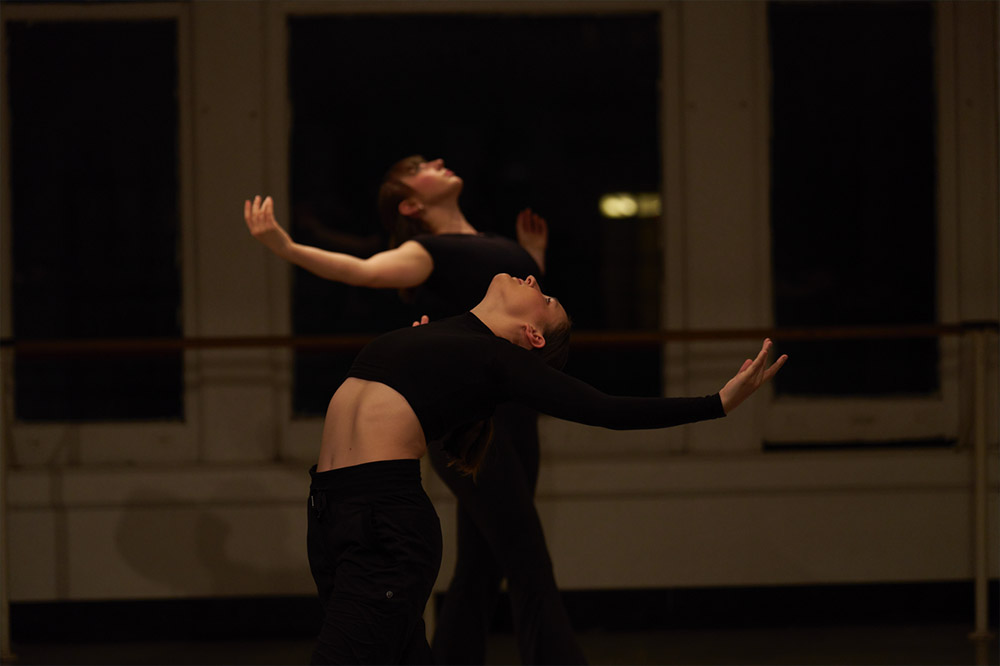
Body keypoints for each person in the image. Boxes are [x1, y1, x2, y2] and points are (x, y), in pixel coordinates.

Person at [302, 271, 787, 664]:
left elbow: (606, 409)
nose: (533, 278)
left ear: (531, 335)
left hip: (383, 523)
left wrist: (717, 403)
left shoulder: (495, 357)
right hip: (330, 512)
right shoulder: (445, 338)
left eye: (546, 295)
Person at [246, 156, 586, 664]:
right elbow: (361, 271)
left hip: (515, 417)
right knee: (527, 556)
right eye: (422, 167)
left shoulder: (493, 244)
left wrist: (533, 257)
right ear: (412, 204)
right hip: (473, 424)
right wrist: (286, 245)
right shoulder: (424, 250)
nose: (439, 163)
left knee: (482, 562)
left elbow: (529, 327)